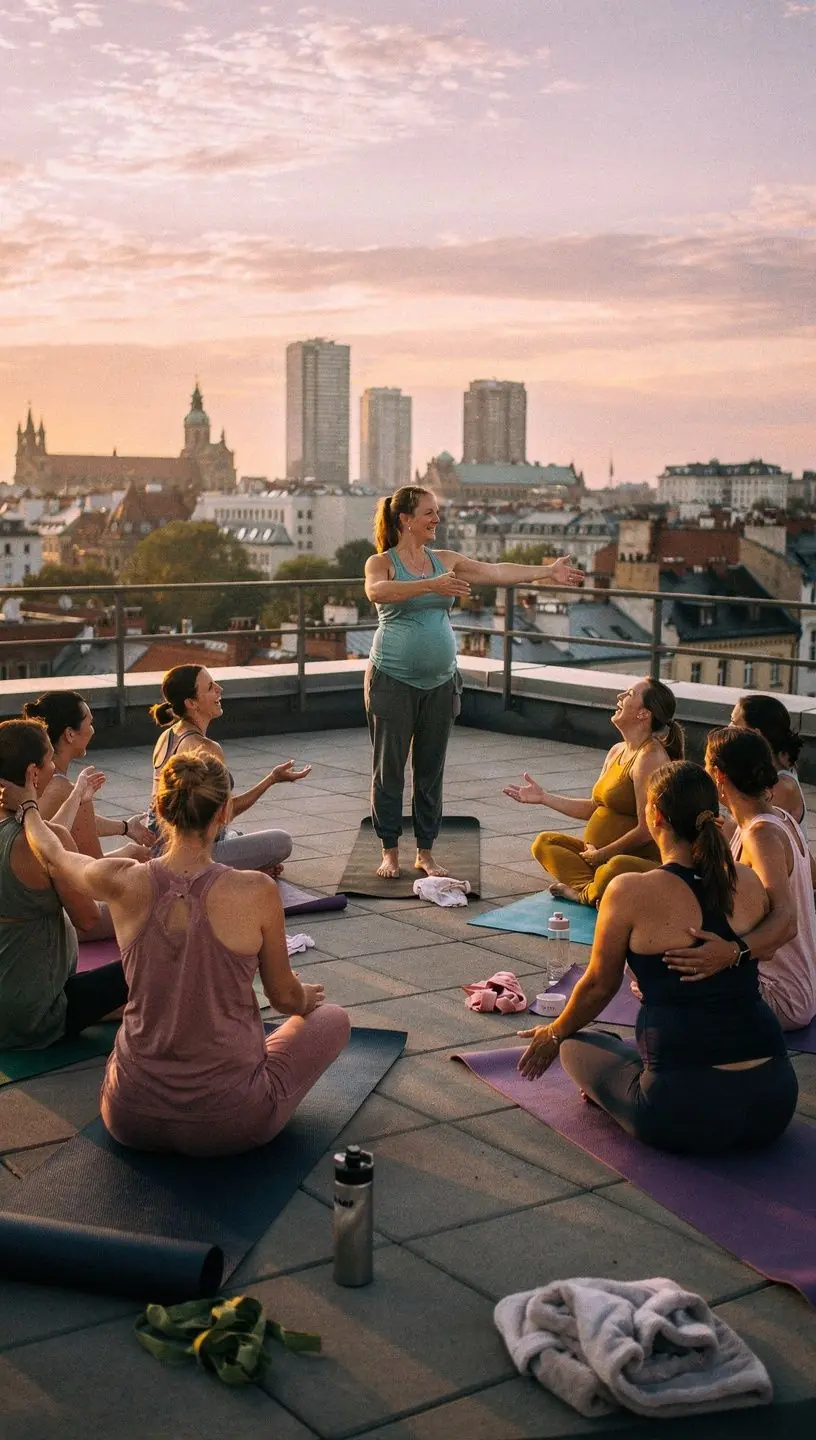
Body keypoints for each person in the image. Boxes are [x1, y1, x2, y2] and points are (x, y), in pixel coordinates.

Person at [5, 750, 351, 1157]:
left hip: (128, 1114)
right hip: (231, 1120)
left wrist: (28, 807)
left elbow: (56, 855)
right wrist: (305, 998)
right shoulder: (257, 890)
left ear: (160, 810)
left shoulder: (121, 880)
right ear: (224, 812)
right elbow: (284, 998)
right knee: (332, 1018)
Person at [515, 760, 798, 1154]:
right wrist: (735, 952)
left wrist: (554, 1031)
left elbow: (598, 985)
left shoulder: (629, 891)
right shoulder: (746, 880)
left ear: (656, 817)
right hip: (775, 1100)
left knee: (577, 1045)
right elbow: (782, 928)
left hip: (684, 1112)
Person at [364, 485, 583, 879]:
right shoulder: (381, 562)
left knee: (431, 770)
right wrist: (431, 585)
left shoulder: (444, 559)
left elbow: (496, 572)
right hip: (392, 680)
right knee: (389, 768)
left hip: (441, 683)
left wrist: (547, 571)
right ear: (406, 520)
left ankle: (425, 853)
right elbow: (376, 590)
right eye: (429, 513)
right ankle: (390, 851)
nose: (437, 519)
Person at [664, 727, 816, 1031]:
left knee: (658, 975)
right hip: (797, 985)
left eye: (707, 766)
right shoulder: (778, 819)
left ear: (719, 775)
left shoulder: (761, 836)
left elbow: (786, 920)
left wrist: (732, 953)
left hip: (780, 995)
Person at [0, 719, 127, 1051]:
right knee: (157, 953)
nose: (55, 766)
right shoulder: (47, 840)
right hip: (34, 1015)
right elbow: (87, 918)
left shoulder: (31, 835)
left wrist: (75, 797)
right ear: (33, 773)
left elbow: (42, 839)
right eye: (49, 760)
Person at [504, 678, 684, 906]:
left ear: (643, 714)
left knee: (615, 867)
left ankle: (584, 893)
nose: (620, 697)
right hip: (597, 855)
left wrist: (603, 854)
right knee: (544, 843)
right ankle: (598, 891)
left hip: (634, 859)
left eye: (629, 694)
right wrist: (543, 798)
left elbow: (647, 829)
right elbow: (593, 806)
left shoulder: (650, 758)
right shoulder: (617, 750)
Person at [148, 665, 310, 875]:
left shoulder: (167, 736)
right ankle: (231, 871)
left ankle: (235, 862)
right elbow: (226, 813)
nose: (219, 689)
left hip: (158, 845)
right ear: (191, 703)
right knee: (281, 842)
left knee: (235, 836)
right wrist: (271, 779)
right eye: (210, 687)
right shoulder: (207, 748)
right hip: (189, 854)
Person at [22, 691, 154, 857]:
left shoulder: (31, 780)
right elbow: (93, 871)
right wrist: (131, 853)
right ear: (70, 734)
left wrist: (125, 827)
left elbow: (77, 822)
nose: (92, 730)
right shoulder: (69, 793)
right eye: (90, 723)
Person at [730, 694, 806, 824]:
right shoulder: (767, 769)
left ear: (756, 734)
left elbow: (744, 829)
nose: (728, 728)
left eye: (734, 723)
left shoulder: (780, 786)